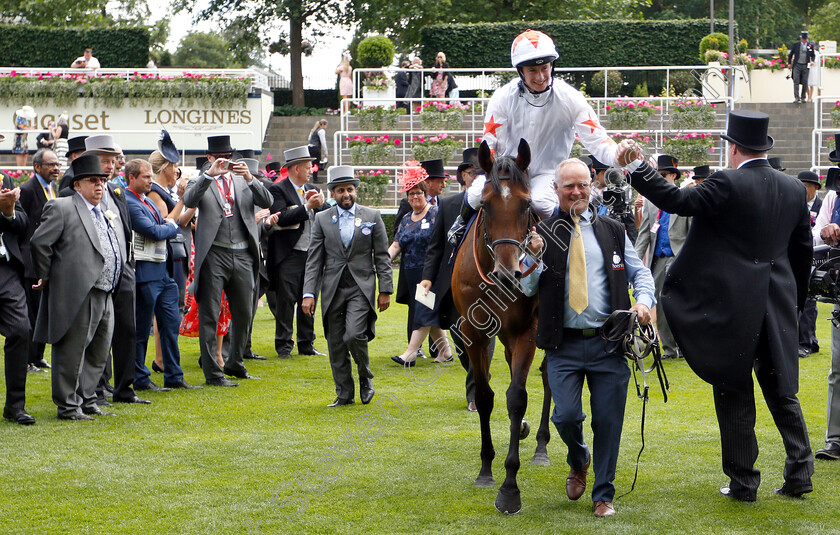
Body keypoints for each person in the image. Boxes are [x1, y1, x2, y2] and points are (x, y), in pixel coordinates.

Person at [625, 110, 814, 501]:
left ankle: (744, 482)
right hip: (776, 301)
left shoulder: (727, 182)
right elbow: (802, 253)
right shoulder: (794, 189)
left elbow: (675, 199)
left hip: (734, 303)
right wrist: (791, 301)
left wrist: (638, 167)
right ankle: (800, 473)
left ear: (732, 147)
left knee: (733, 388)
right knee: (783, 391)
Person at [519, 158, 655, 518]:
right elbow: (525, 285)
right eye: (569, 186)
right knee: (564, 417)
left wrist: (642, 302)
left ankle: (603, 494)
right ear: (556, 190)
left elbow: (640, 272)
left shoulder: (612, 229)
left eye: (583, 185)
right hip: (562, 346)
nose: (577, 191)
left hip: (609, 343)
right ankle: (579, 458)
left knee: (608, 421)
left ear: (591, 187)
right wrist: (531, 258)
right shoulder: (541, 235)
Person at [460, 29, 638, 231]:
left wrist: (617, 155)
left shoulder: (570, 97)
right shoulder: (502, 97)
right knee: (474, 195)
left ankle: (574, 237)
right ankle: (458, 229)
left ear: (552, 65)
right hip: (506, 172)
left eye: (545, 68)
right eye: (532, 71)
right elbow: (490, 145)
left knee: (540, 202)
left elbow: (597, 139)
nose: (541, 76)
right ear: (521, 71)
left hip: (547, 172)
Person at [30, 154, 125, 420]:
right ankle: (68, 405)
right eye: (92, 181)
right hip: (79, 291)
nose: (99, 186)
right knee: (72, 351)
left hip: (106, 291)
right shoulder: (62, 207)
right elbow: (40, 243)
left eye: (102, 181)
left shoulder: (106, 210)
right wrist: (47, 275)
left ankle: (88, 398)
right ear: (77, 185)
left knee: (98, 352)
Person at [181, 135, 273, 387]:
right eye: (220, 157)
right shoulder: (201, 180)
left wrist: (250, 178)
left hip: (243, 253)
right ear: (209, 157)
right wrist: (209, 174)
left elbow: (268, 201)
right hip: (214, 255)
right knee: (209, 314)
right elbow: (189, 201)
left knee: (244, 312)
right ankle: (213, 372)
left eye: (229, 157)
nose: (226, 162)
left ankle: (235, 362)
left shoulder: (242, 180)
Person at [301, 166, 393, 407]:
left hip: (360, 287)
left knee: (353, 334)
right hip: (332, 288)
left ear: (355, 191)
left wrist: (385, 289)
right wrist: (308, 293)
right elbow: (314, 259)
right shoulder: (322, 218)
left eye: (350, 189)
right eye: (341, 190)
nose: (346, 194)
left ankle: (365, 376)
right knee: (335, 343)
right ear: (333, 193)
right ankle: (344, 393)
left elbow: (382, 256)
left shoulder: (372, 217)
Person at [419, 148, 492, 411]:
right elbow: (436, 245)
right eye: (477, 173)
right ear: (464, 176)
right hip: (455, 285)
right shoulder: (449, 205)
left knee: (483, 335)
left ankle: (475, 390)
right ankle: (479, 373)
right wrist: (427, 278)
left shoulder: (494, 202)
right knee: (461, 337)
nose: (483, 179)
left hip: (489, 286)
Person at [125, 158, 199, 391]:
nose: (150, 180)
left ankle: (174, 376)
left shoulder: (145, 200)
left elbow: (165, 222)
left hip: (163, 272)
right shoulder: (130, 201)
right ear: (131, 178)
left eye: (150, 176)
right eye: (145, 177)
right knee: (141, 329)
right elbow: (155, 231)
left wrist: (169, 224)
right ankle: (140, 377)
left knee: (170, 324)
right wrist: (172, 227)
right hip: (145, 273)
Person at [389, 161, 452, 367]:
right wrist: (383, 260)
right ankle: (446, 352)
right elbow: (397, 244)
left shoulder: (436, 213)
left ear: (425, 194)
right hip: (410, 272)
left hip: (431, 272)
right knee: (428, 311)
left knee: (423, 311)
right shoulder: (407, 218)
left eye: (418, 193)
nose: (415, 197)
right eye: (411, 194)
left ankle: (410, 352)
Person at [266, 146, 327, 359]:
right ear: (296, 168)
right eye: (308, 167)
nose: (312, 170)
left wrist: (321, 204)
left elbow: (326, 214)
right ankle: (283, 344)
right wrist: (307, 206)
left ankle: (306, 343)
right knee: (286, 300)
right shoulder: (278, 190)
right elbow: (281, 217)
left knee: (309, 298)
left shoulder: (312, 188)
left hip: (311, 255)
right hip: (289, 255)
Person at [634, 154, 690, 359]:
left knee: (681, 304)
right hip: (657, 261)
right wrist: (631, 263)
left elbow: (692, 234)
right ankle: (668, 349)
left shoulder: (685, 198)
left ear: (674, 176)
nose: (659, 178)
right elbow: (644, 236)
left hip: (679, 259)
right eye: (656, 175)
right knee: (661, 303)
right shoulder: (650, 203)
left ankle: (685, 347)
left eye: (663, 175)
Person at [18, 149, 60, 373]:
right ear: (37, 167)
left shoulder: (52, 188)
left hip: (47, 259)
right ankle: (26, 359)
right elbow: (21, 224)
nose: (55, 168)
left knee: (44, 312)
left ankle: (38, 356)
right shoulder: (26, 189)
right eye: (50, 164)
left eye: (56, 164)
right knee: (31, 312)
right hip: (31, 261)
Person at [0, 168, 35, 425]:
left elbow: (23, 224)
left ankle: (15, 406)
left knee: (21, 329)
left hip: (6, 269)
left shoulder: (5, 179)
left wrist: (8, 210)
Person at [812, 143, 840, 461]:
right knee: (838, 367)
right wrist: (828, 231)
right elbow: (816, 235)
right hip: (838, 288)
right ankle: (835, 438)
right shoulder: (833, 196)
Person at [797, 170, 822, 358]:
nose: (803, 191)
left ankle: (807, 342)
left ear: (815, 187)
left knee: (809, 300)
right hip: (799, 255)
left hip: (818, 256)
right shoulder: (795, 205)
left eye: (806, 187)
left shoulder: (822, 206)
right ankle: (806, 341)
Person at [588, 154, 637, 243]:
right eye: (605, 173)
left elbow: (629, 223)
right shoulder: (586, 193)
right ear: (595, 174)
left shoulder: (617, 193)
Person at [788, 31, 815, 104]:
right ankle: (797, 97)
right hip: (797, 64)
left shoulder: (809, 46)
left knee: (805, 81)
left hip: (805, 65)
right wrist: (789, 63)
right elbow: (790, 54)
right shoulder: (796, 45)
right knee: (796, 80)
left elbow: (813, 55)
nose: (804, 41)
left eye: (805, 39)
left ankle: (803, 97)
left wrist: (812, 61)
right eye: (803, 39)